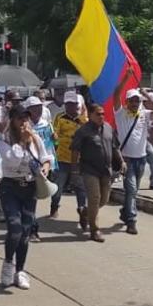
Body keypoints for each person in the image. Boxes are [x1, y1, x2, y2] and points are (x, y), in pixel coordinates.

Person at [0, 105, 51, 289]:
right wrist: (22, 142)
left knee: (25, 232)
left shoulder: (35, 138)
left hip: (29, 188)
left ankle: (20, 271)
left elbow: (45, 157)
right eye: (20, 118)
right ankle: (8, 263)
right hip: (10, 187)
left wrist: (45, 168)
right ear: (12, 120)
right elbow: (12, 161)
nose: (24, 122)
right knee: (15, 228)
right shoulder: (5, 139)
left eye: (26, 118)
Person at [69, 103, 122, 242]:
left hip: (106, 170)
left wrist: (122, 161)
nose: (101, 116)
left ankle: (85, 212)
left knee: (104, 200)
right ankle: (94, 230)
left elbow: (115, 147)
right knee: (95, 198)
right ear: (90, 115)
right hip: (89, 170)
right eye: (98, 114)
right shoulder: (83, 131)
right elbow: (75, 150)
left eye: (103, 114)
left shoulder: (108, 128)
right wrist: (74, 170)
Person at [114, 89, 153, 235]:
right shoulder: (121, 114)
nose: (134, 103)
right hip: (127, 160)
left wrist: (146, 96)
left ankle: (125, 211)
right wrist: (126, 79)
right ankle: (131, 221)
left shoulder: (144, 114)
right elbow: (116, 95)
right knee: (131, 189)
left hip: (141, 159)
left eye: (137, 101)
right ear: (126, 102)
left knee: (133, 191)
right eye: (131, 100)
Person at [48, 91, 87, 228]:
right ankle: (54, 206)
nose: (72, 106)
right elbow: (55, 134)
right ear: (65, 105)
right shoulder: (60, 118)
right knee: (58, 187)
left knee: (81, 188)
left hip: (79, 160)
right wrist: (55, 138)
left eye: (74, 104)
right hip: (62, 158)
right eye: (69, 104)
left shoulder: (84, 120)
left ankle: (82, 211)